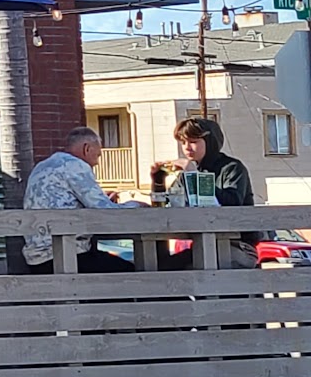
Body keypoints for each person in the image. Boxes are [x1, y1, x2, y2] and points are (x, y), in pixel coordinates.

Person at [21, 126, 133, 274]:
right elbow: (105, 211)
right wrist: (136, 205)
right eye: (97, 155)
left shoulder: (42, 166)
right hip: (67, 257)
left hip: (37, 260)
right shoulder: (75, 165)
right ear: (87, 148)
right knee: (133, 274)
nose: (96, 163)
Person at [158, 117, 260, 271]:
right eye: (183, 142)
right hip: (202, 244)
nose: (187, 148)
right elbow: (167, 204)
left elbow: (232, 203)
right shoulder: (187, 174)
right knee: (162, 267)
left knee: (187, 268)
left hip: (238, 246)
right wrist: (158, 181)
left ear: (210, 142)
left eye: (193, 141)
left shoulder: (232, 168)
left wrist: (194, 175)